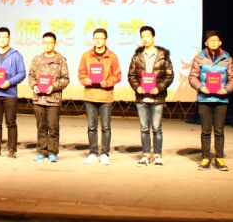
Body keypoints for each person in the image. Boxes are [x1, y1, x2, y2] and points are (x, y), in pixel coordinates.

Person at [188, 30, 233, 171]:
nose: (214, 42)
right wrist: (201, 87)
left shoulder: (227, 58)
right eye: (211, 40)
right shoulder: (199, 58)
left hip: (221, 99)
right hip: (204, 99)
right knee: (205, 130)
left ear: (220, 42)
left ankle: (219, 158)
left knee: (219, 130)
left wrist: (226, 89)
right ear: (206, 43)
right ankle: (205, 158)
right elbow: (192, 77)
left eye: (216, 40)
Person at [127, 25, 174, 167]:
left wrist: (159, 88)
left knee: (156, 128)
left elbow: (169, 76)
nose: (145, 39)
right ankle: (145, 155)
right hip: (142, 98)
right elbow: (131, 75)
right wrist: (137, 87)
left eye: (147, 36)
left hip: (157, 98)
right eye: (142, 37)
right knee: (144, 128)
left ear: (153, 37)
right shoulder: (137, 56)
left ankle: (158, 156)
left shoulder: (163, 56)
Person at [78, 28, 121, 165]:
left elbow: (117, 75)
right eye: (95, 38)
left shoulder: (112, 56)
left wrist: (107, 82)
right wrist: (85, 80)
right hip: (90, 95)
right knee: (91, 127)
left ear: (106, 40)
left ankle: (104, 154)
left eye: (100, 38)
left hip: (105, 96)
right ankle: (93, 153)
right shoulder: (86, 56)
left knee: (106, 127)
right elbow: (81, 73)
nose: (98, 40)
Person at [27, 32, 69, 163]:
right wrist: (34, 85)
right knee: (41, 127)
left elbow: (65, 79)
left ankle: (52, 152)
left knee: (53, 127)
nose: (47, 45)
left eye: (50, 42)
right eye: (45, 42)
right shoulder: (36, 59)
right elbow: (31, 76)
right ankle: (42, 151)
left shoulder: (60, 60)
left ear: (55, 44)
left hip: (53, 99)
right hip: (38, 99)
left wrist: (54, 87)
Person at [0, 27, 26, 159]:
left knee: (11, 122)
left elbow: (22, 73)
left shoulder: (16, 55)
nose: (2, 39)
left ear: (9, 38)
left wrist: (9, 82)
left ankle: (11, 149)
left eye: (5, 37)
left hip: (10, 94)